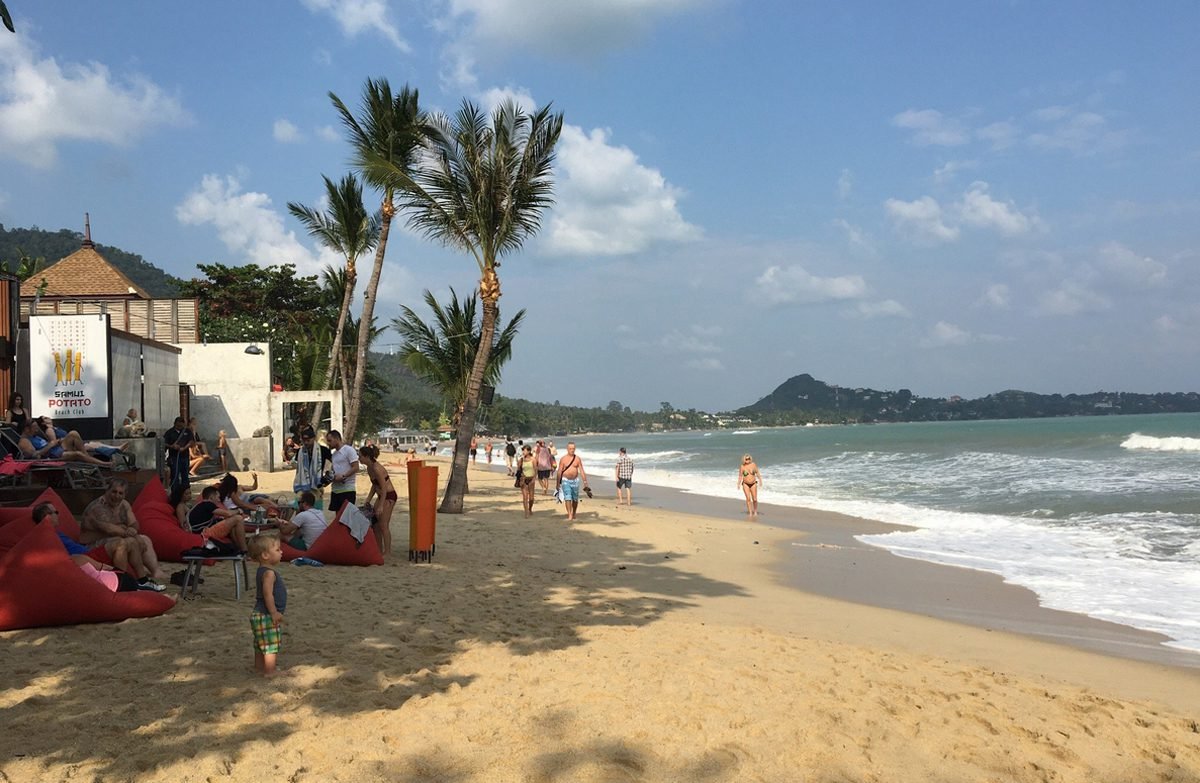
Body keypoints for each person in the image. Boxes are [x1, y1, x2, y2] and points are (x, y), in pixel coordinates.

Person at [34, 503, 155, 592]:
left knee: (130, 542)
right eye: (55, 512)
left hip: (89, 552)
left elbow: (132, 524)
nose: (58, 515)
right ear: (47, 516)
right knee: (121, 544)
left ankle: (142, 580)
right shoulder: (47, 535)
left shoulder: (56, 531)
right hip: (86, 557)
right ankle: (123, 582)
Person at [80, 478, 169, 585]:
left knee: (145, 539)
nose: (116, 496)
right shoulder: (98, 507)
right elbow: (110, 529)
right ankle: (129, 579)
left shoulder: (124, 504)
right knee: (129, 541)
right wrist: (134, 535)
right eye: (114, 492)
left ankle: (155, 571)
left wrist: (133, 529)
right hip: (92, 545)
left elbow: (134, 523)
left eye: (120, 493)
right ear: (107, 491)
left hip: (112, 539)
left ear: (125, 494)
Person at [248, 531, 287, 677]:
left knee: (260, 643)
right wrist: (274, 612)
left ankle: (259, 667)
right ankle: (270, 671)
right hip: (265, 614)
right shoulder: (269, 573)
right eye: (277, 550)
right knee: (271, 644)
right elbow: (267, 594)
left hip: (259, 614)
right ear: (265, 555)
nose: (281, 552)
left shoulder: (262, 570)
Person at [186, 485, 250, 551]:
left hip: (200, 532)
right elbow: (227, 513)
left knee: (233, 524)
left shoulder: (200, 505)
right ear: (211, 497)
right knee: (238, 518)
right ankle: (244, 549)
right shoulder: (208, 504)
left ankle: (238, 548)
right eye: (218, 497)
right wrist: (239, 510)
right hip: (204, 534)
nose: (219, 500)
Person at [16, 419, 108, 464]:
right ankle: (103, 464)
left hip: (56, 449)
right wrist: (50, 445)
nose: (37, 430)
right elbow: (35, 455)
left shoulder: (34, 436)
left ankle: (89, 461)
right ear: (26, 429)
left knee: (73, 433)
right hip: (53, 456)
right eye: (34, 428)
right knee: (77, 454)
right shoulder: (24, 441)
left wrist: (57, 442)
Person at [360, 444, 396, 555]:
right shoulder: (369, 468)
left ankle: (388, 552)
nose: (359, 458)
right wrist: (368, 499)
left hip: (388, 496)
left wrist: (380, 505)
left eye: (360, 456)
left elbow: (384, 487)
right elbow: (374, 486)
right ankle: (379, 550)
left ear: (366, 457)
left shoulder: (376, 468)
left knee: (383, 525)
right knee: (375, 524)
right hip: (381, 496)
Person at [292, 426, 331, 508]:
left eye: (308, 440)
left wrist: (327, 478)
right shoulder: (300, 452)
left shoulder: (323, 450)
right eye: (304, 440)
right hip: (302, 486)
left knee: (316, 512)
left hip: (316, 486)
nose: (306, 443)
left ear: (314, 438)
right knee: (299, 510)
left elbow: (334, 464)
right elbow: (298, 468)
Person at [325, 430, 359, 513]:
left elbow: (356, 467)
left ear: (336, 438)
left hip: (347, 490)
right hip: (336, 490)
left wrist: (343, 476)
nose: (328, 443)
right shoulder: (334, 455)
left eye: (330, 440)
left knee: (346, 518)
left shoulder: (349, 450)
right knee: (338, 518)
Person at [555, 442, 589, 521]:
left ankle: (574, 513)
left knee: (575, 499)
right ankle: (569, 514)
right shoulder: (563, 459)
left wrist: (585, 482)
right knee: (568, 497)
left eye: (573, 449)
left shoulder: (577, 459)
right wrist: (558, 483)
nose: (572, 450)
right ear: (567, 449)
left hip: (575, 481)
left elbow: (581, 470)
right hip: (565, 480)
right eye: (570, 449)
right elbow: (559, 471)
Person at [163, 416, 193, 490]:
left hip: (185, 456)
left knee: (185, 475)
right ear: (174, 424)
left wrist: (184, 448)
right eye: (178, 425)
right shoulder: (169, 432)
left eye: (181, 425)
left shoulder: (187, 431)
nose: (179, 427)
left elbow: (191, 441)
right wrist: (172, 446)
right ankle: (175, 492)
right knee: (175, 475)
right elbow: (164, 443)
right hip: (174, 457)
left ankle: (186, 491)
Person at [516, 444, 536, 518]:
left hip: (531, 479)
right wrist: (520, 476)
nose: (523, 452)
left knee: (531, 498)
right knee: (525, 497)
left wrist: (534, 479)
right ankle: (526, 512)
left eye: (524, 450)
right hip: (524, 479)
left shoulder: (533, 459)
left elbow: (535, 470)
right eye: (523, 450)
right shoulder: (521, 460)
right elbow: (518, 470)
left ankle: (530, 508)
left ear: (529, 451)